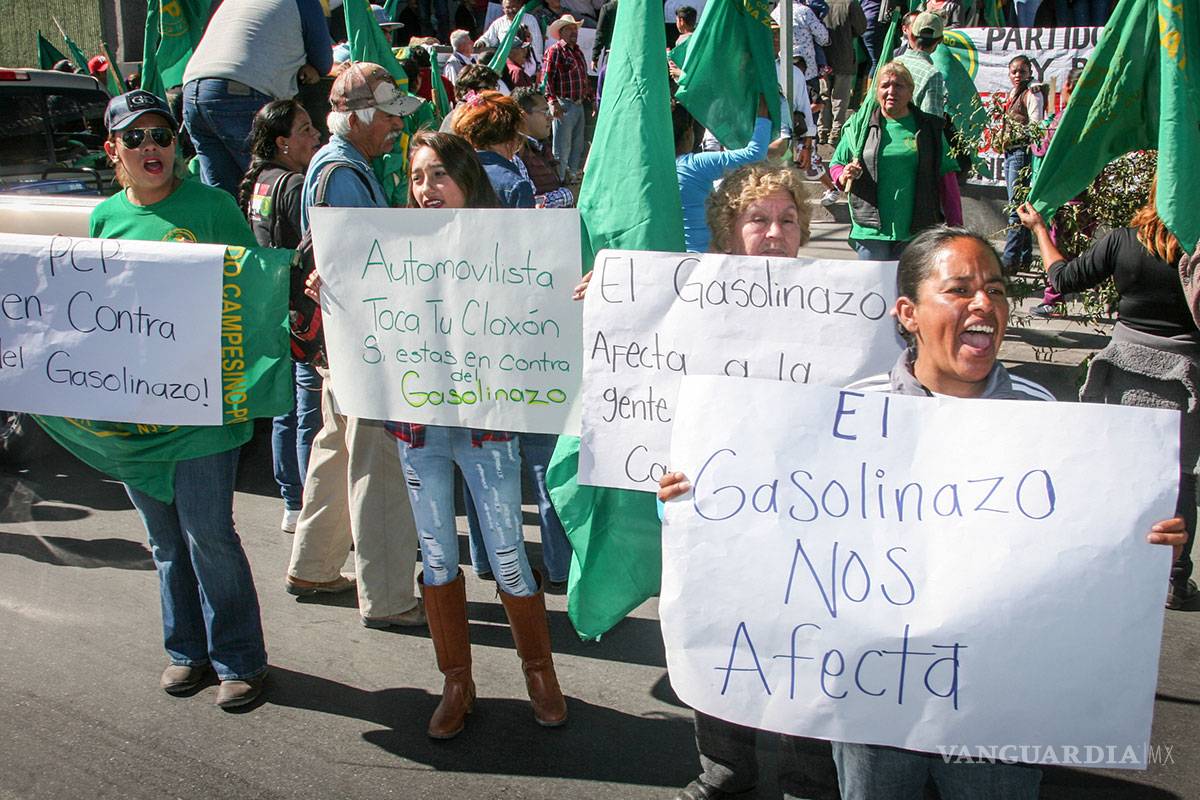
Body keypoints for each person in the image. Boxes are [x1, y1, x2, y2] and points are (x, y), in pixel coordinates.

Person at [659, 224, 1188, 799]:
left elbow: (1085, 546)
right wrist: (696, 503)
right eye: (959, 290)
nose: (984, 303)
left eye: (997, 289)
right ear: (908, 313)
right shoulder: (851, 413)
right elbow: (770, 523)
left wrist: (1147, 540)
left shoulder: (1045, 421)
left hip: (997, 711)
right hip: (875, 707)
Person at [643, 163, 841, 800]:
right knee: (717, 629)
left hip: (807, 507)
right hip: (709, 503)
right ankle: (724, 764)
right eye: (758, 220)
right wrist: (613, 297)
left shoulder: (838, 303)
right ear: (729, 229)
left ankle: (807, 772)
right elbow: (642, 383)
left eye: (788, 220)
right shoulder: (688, 297)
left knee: (802, 636)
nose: (775, 233)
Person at [91, 90, 268, 709]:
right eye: (134, 138)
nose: (150, 148)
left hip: (204, 412)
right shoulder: (104, 219)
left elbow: (256, 289)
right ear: (114, 150)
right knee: (164, 540)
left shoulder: (214, 207)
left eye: (160, 136)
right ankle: (186, 652)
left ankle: (239, 660)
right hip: (138, 415)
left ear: (177, 144)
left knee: (208, 534)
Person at [398, 129, 569, 738]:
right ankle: (457, 682)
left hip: (488, 426)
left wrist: (576, 293)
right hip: (419, 427)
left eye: (438, 174)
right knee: (438, 555)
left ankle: (539, 674)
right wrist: (330, 293)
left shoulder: (511, 243)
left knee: (505, 554)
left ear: (467, 178)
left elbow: (546, 316)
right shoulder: (391, 245)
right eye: (417, 177)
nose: (426, 189)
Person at [285, 63, 429, 628]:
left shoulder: (334, 165)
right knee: (379, 463)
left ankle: (314, 565)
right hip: (364, 338)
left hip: (341, 336)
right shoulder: (345, 172)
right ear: (362, 114)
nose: (396, 126)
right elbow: (361, 265)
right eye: (390, 115)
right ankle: (388, 596)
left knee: (336, 446)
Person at [1018, 189, 1199, 610]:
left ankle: (1114, 558)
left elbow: (1061, 278)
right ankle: (1175, 579)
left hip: (1122, 370)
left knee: (1123, 467)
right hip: (1184, 378)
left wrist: (1040, 230)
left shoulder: (1122, 240)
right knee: (1181, 475)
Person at [238, 100, 323, 533]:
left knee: (283, 411)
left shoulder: (260, 183)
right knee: (307, 413)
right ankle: (308, 503)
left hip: (273, 310)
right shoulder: (293, 185)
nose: (316, 136)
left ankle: (291, 499)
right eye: (306, 129)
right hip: (300, 314)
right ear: (282, 143)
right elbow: (311, 252)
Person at [181, 0, 333, 196]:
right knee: (272, 188)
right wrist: (310, 67)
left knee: (223, 198)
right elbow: (323, 60)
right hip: (240, 91)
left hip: (192, 90)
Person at [829, 61, 960, 261]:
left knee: (908, 291)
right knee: (873, 290)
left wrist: (956, 229)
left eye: (898, 86)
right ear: (876, 91)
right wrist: (843, 174)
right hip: (870, 230)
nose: (891, 91)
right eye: (885, 86)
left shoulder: (929, 128)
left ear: (910, 91)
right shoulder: (860, 126)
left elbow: (947, 180)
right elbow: (836, 164)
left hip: (916, 231)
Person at [675, 99, 772, 254]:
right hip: (705, 260)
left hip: (666, 261)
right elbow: (755, 154)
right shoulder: (693, 165)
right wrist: (763, 114)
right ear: (688, 134)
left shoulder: (651, 171)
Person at [997, 54, 1045, 274]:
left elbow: (1036, 126)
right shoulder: (1012, 94)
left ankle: (1009, 260)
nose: (1017, 76)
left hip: (1022, 152)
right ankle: (1024, 257)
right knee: (1018, 205)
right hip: (1010, 151)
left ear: (1030, 74)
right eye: (1014, 71)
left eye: (1022, 72)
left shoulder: (1031, 94)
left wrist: (1016, 134)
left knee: (1016, 208)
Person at [542, 14, 594, 180]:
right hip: (563, 103)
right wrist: (552, 101)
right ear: (561, 32)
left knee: (577, 146)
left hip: (578, 103)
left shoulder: (577, 51)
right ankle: (560, 178)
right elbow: (547, 78)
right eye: (569, 29)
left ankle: (571, 177)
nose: (574, 32)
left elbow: (583, 79)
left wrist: (592, 100)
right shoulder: (555, 51)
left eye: (574, 29)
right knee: (562, 147)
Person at [513, 87, 580, 207]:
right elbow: (530, 204)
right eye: (545, 112)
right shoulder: (515, 153)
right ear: (523, 116)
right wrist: (570, 194)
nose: (550, 117)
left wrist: (565, 181)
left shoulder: (541, 148)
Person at [818, 0, 867, 146]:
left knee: (823, 93)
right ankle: (837, 130)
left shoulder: (818, 2)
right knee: (840, 95)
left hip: (823, 55)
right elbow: (861, 28)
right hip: (844, 53)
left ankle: (822, 129)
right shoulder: (850, 3)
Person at [895, 11, 947, 118]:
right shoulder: (932, 75)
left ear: (912, 36)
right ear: (940, 41)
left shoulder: (894, 62)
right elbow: (932, 120)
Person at [771, 0, 830, 83]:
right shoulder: (805, 12)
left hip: (782, 69)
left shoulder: (773, 14)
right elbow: (823, 38)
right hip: (807, 71)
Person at [477, 0, 545, 71]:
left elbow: (537, 44)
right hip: (506, 64)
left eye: (514, 7)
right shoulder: (498, 23)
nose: (511, 10)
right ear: (503, 9)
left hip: (528, 63)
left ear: (520, 7)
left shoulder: (530, 20)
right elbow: (487, 38)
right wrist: (482, 42)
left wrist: (538, 66)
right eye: (507, 7)